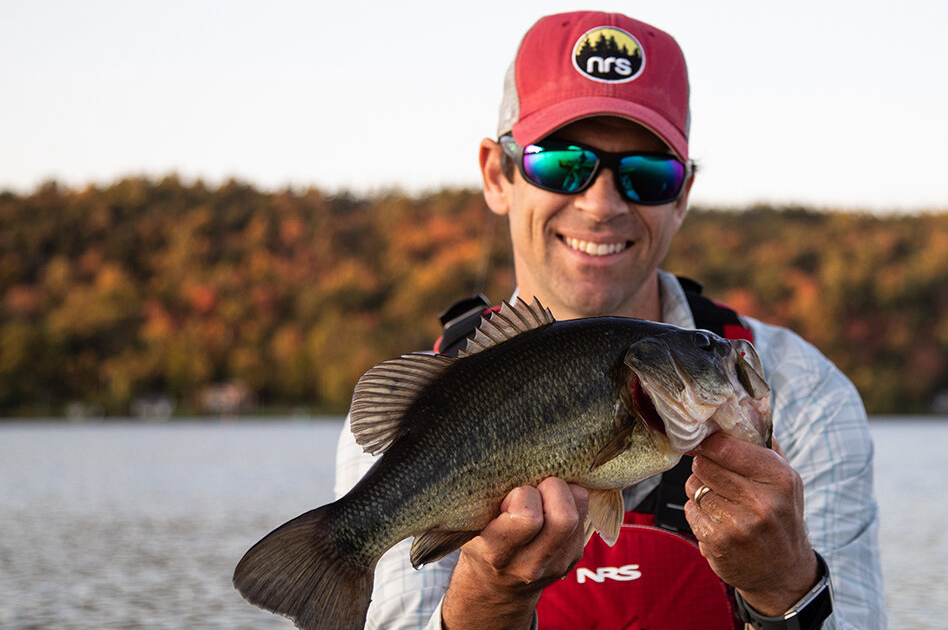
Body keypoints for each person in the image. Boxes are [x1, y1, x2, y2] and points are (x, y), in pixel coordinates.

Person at [335, 10, 885, 630]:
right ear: (497, 174)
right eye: (560, 163)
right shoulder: (426, 409)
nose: (601, 205)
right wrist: (487, 603)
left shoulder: (806, 395)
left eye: (647, 175)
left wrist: (786, 589)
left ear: (682, 198)